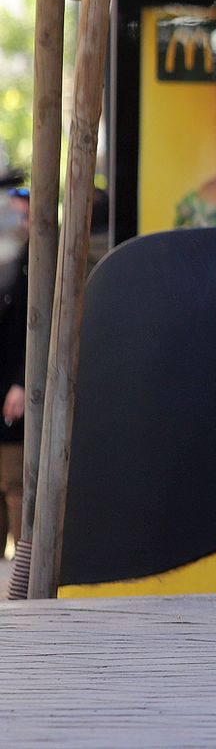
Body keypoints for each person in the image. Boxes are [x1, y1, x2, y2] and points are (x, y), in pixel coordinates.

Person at [0, 187, 27, 557]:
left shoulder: (36, 261)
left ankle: (22, 561)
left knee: (15, 481)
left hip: (17, 385)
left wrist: (22, 382)